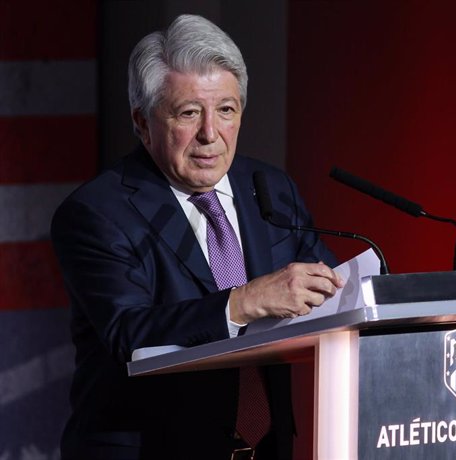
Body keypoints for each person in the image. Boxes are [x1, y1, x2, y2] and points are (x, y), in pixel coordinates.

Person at [52, 14, 343, 460]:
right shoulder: (96, 213)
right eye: (189, 113)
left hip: (265, 447)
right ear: (142, 122)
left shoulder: (269, 187)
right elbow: (128, 332)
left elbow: (326, 290)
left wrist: (359, 291)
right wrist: (241, 302)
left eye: (225, 110)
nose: (211, 134)